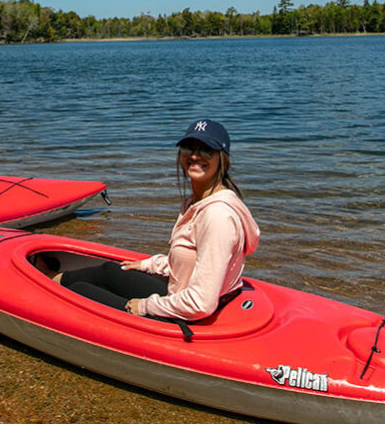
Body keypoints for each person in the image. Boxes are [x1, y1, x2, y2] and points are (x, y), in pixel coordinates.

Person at [56, 119, 260, 321]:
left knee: (80, 291)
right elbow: (190, 261)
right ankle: (47, 278)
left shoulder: (218, 216)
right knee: (109, 271)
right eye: (189, 148)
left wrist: (145, 306)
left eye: (207, 150)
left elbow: (201, 303)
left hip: (188, 316)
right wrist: (151, 265)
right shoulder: (195, 202)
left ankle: (44, 294)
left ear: (223, 159)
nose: (195, 155)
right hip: (180, 296)